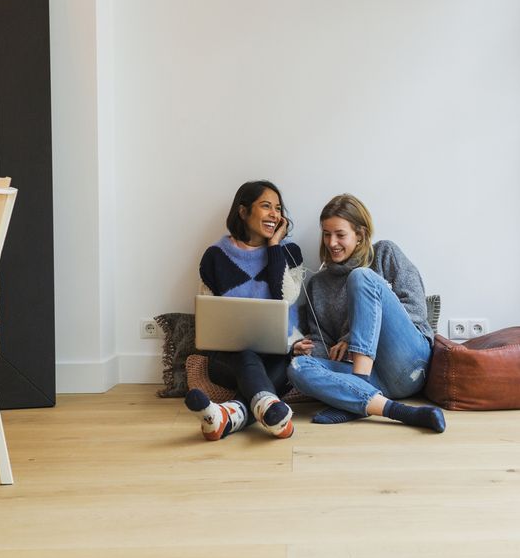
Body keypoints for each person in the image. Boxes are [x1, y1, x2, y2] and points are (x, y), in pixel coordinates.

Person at [287, 193, 445, 433]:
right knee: (298, 367)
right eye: (327, 234)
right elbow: (325, 343)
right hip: (378, 383)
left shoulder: (384, 253)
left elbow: (416, 311)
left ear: (359, 235)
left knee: (361, 277)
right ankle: (397, 410)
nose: (331, 243)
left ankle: (355, 389)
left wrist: (351, 338)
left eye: (340, 234)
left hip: (409, 363)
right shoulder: (317, 285)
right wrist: (303, 347)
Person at [185, 180, 304, 441]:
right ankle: (270, 410)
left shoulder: (290, 252)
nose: (275, 213)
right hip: (228, 359)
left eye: (278, 208)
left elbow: (285, 297)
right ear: (243, 211)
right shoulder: (215, 256)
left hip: (278, 355)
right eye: (265, 206)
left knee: (280, 368)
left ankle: (224, 417)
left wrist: (274, 247)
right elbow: (209, 317)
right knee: (246, 355)